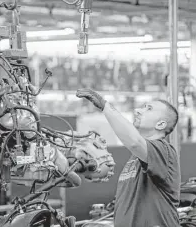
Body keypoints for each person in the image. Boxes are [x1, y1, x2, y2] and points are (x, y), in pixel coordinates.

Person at [76, 88, 180, 227]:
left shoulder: (164, 151)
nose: (138, 110)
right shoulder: (135, 159)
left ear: (160, 124)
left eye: (148, 109)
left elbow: (135, 142)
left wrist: (105, 106)